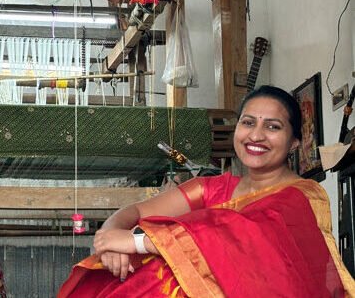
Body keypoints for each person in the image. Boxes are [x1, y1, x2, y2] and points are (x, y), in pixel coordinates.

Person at [58, 85, 355, 297]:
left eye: (273, 127)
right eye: (248, 122)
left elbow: (237, 237)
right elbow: (134, 212)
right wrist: (110, 239)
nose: (256, 135)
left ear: (294, 142)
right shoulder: (213, 188)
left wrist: (136, 243)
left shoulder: (302, 197)